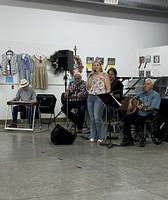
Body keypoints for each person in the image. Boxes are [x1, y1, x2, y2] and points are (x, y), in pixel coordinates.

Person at [120, 78, 161, 146]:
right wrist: (130, 103)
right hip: (138, 113)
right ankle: (128, 138)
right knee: (126, 117)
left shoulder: (156, 95)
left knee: (138, 120)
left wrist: (144, 108)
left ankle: (140, 135)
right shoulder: (142, 93)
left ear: (152, 86)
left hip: (148, 114)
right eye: (145, 84)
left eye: (147, 84)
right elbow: (132, 98)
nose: (145, 85)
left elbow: (152, 108)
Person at [86, 60, 111, 143]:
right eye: (94, 65)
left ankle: (101, 136)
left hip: (99, 97)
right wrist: (89, 77)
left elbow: (108, 88)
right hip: (90, 96)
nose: (96, 67)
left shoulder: (104, 75)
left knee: (97, 118)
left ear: (100, 66)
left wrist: (106, 99)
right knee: (92, 118)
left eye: (97, 65)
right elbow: (88, 86)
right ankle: (93, 136)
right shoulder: (91, 75)